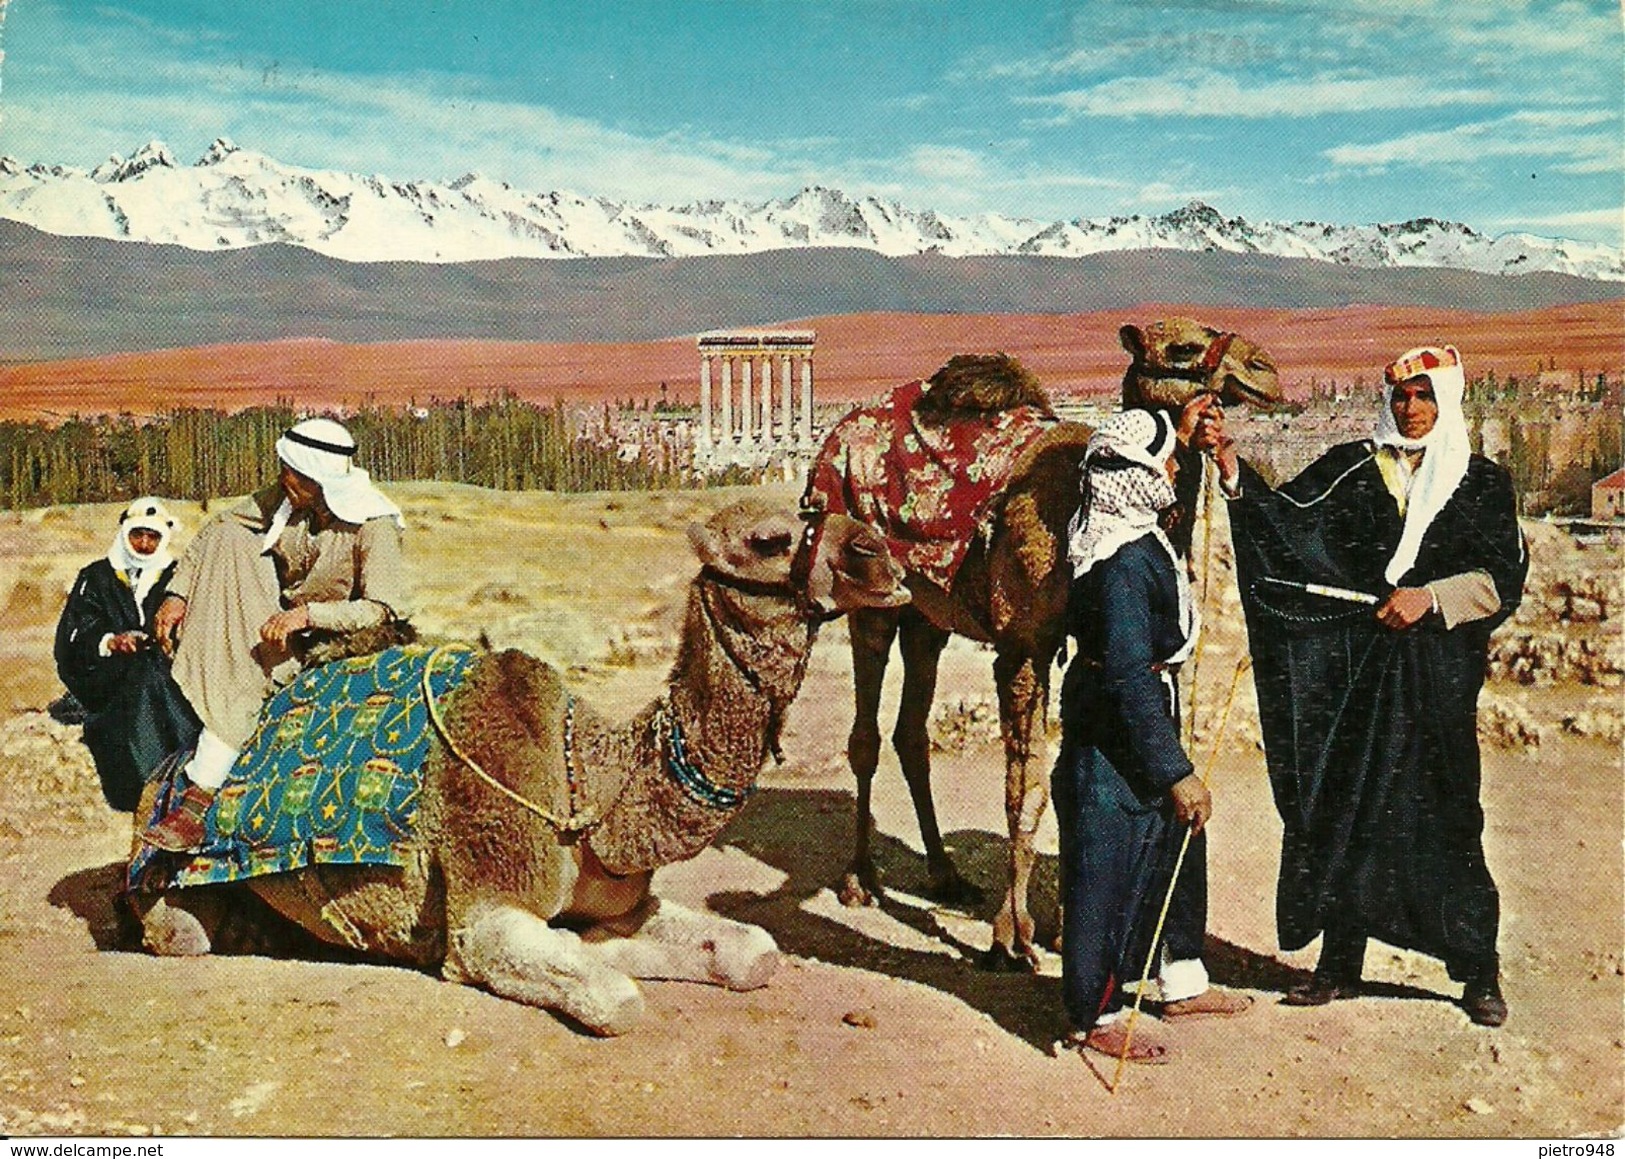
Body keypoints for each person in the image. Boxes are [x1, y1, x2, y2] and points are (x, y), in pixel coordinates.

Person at [1208, 344, 1527, 1027]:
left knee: (1445, 811)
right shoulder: (1351, 469)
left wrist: (1429, 597)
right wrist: (1232, 469)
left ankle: (1475, 967)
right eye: (1400, 396)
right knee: (1347, 804)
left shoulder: (1479, 483)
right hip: (1355, 675)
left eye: (1422, 395)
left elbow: (1501, 579)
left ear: (1446, 399)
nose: (1409, 408)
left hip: (1435, 677)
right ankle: (1338, 960)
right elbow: (1284, 524)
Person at [1053, 406, 1253, 1065]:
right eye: (1164, 460)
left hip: (1138, 708)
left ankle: (1179, 976)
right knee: (1105, 861)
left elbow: (1171, 491)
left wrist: (1191, 438)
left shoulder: (1122, 532)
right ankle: (1097, 1012)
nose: (1172, 469)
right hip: (1115, 722)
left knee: (1172, 838)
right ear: (1135, 474)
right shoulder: (1120, 565)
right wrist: (1174, 768)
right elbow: (1129, 674)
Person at [143, 417, 412, 852]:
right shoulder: (284, 499)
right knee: (230, 536)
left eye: (293, 472)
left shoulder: (374, 524)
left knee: (247, 680)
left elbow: (382, 609)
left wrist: (308, 616)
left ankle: (203, 790)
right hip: (275, 618)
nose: (283, 478)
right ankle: (218, 706)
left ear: (318, 478)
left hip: (333, 636)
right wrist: (177, 594)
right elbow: (218, 527)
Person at [53, 498, 202, 811]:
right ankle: (145, 786)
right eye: (138, 535)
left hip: (165, 674)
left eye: (153, 537)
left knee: (156, 681)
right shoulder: (95, 577)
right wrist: (110, 642)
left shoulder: (176, 577)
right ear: (125, 533)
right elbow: (73, 636)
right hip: (107, 678)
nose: (144, 544)